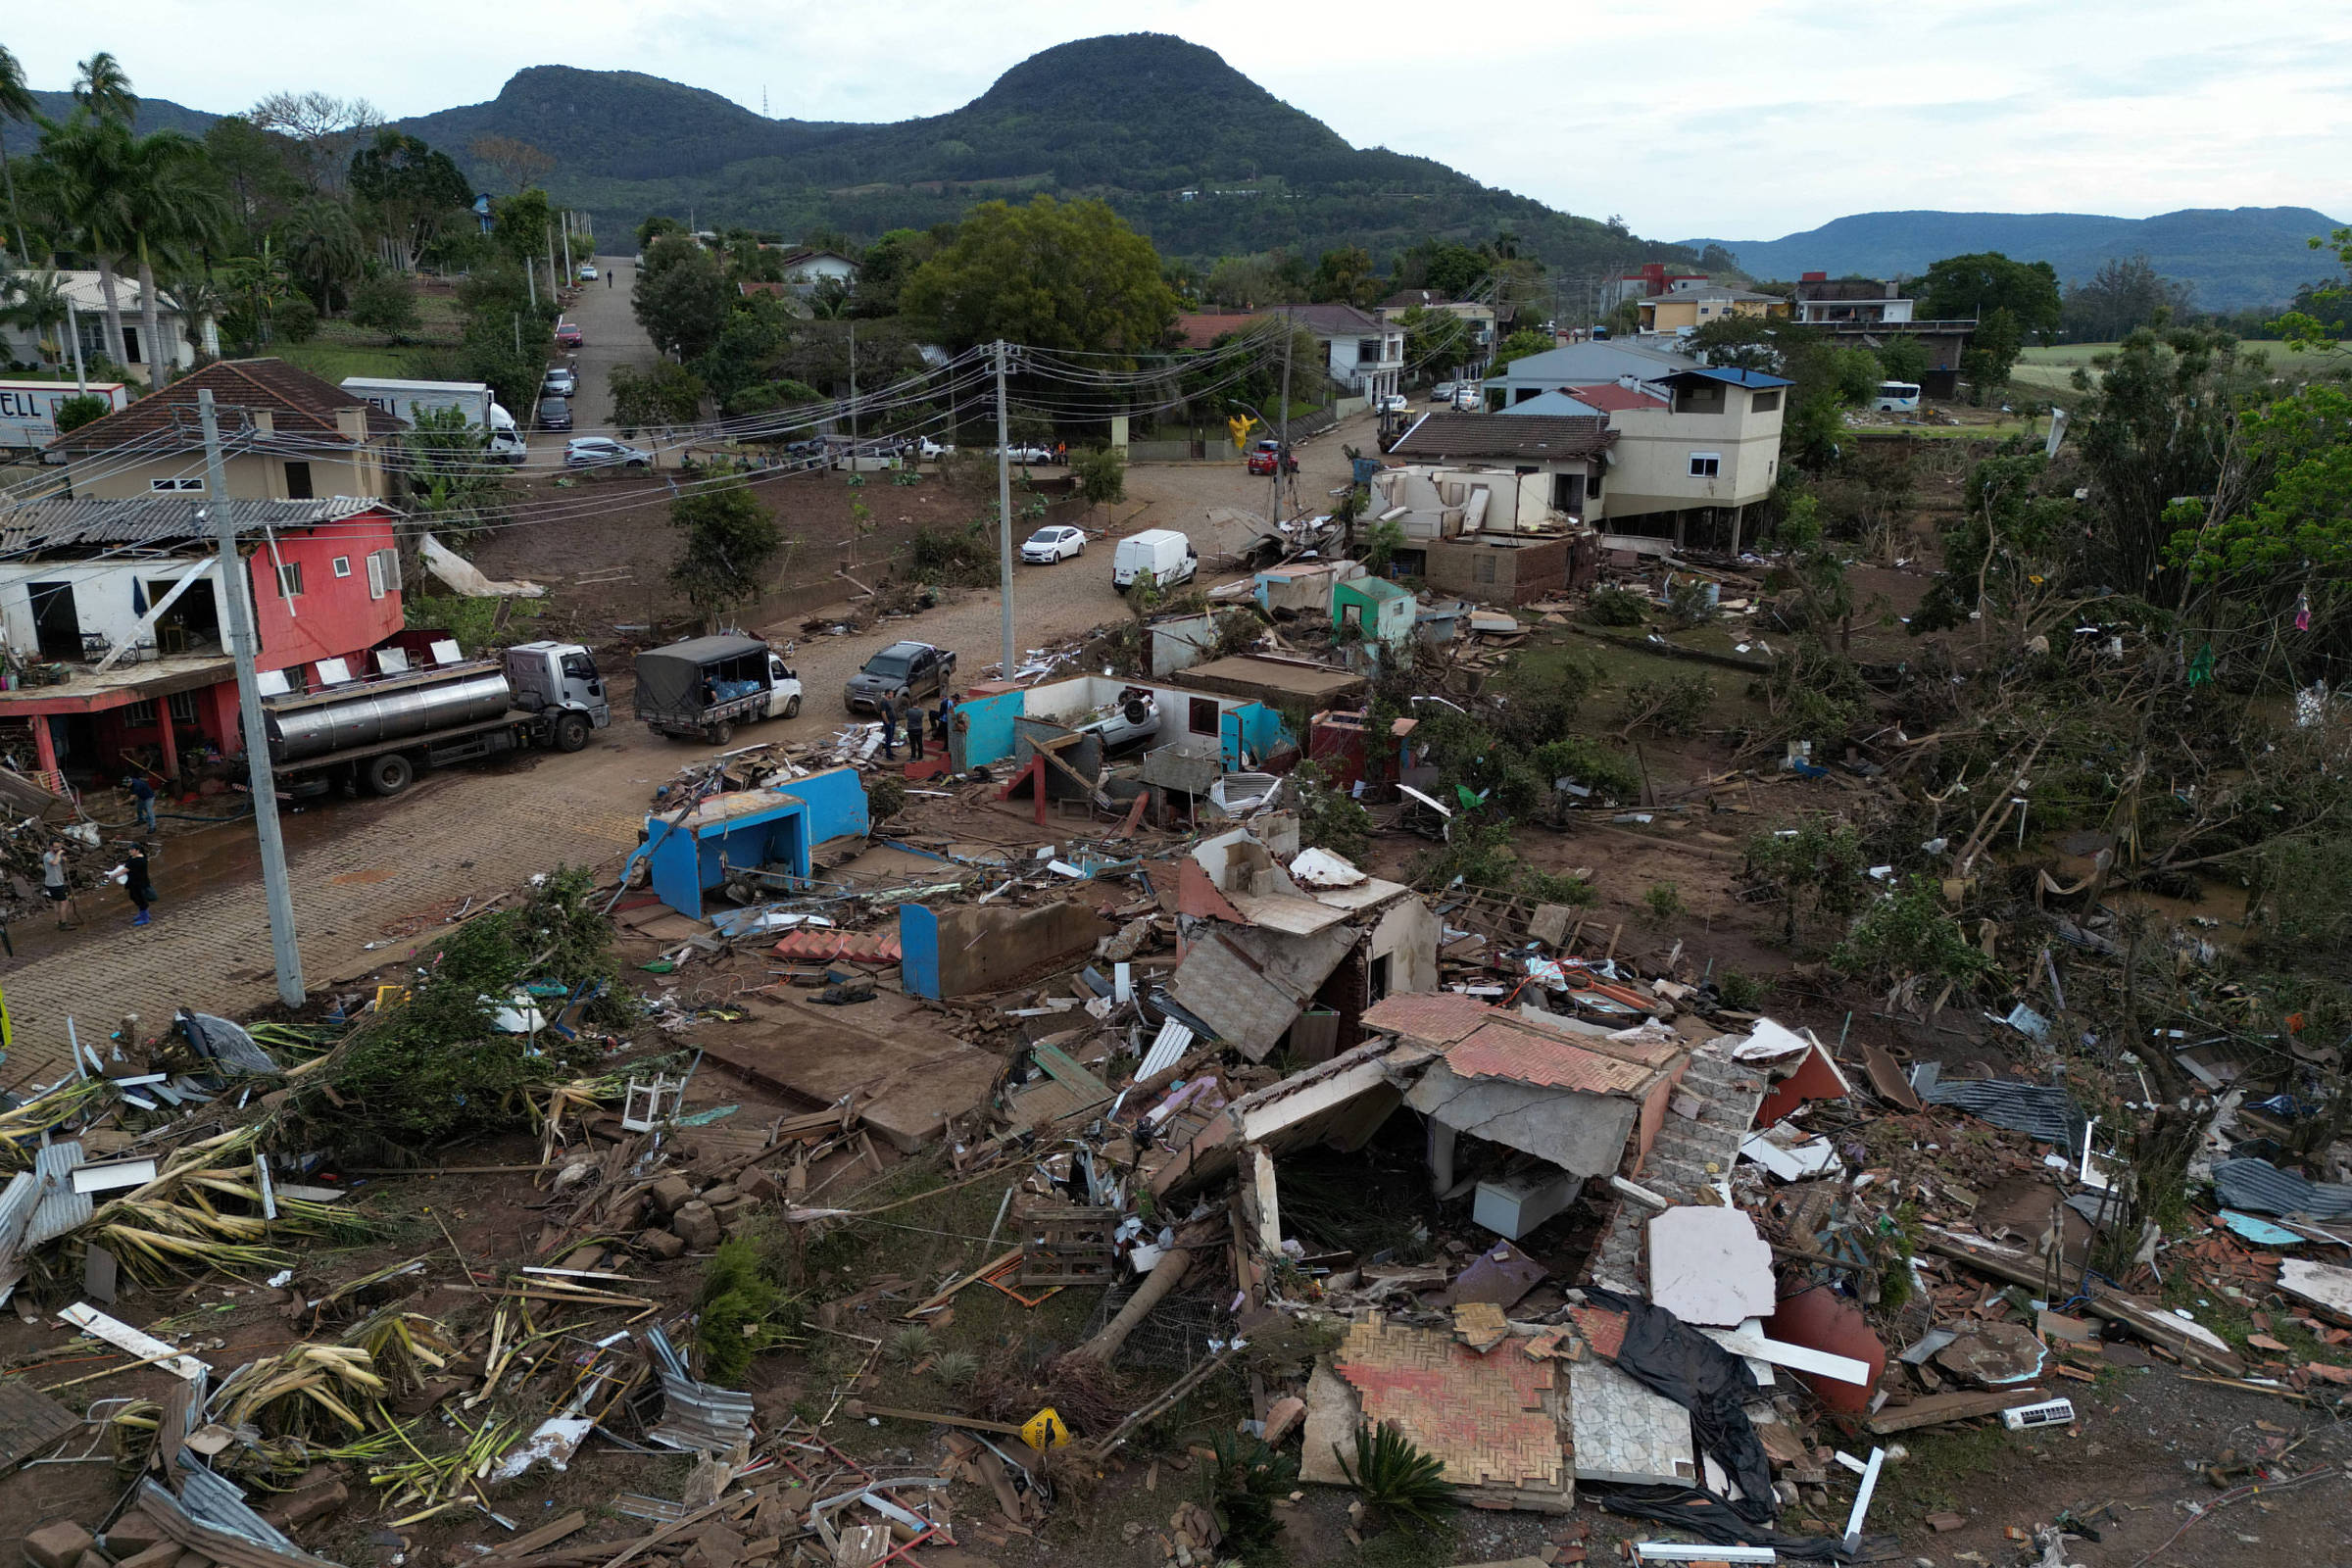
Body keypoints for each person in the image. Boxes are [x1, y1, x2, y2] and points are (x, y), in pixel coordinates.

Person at [41, 842, 78, 929]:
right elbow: (54, 863)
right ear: (50, 847)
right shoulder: (47, 856)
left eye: (59, 847)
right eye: (56, 847)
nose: (58, 848)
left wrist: (64, 859)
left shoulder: (56, 855)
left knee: (57, 902)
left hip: (57, 881)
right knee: (64, 902)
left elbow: (61, 861)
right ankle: (64, 923)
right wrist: (59, 854)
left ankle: (58, 921)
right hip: (54, 883)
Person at [121, 841, 156, 927]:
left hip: (138, 883)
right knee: (134, 897)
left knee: (140, 899)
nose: (130, 851)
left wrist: (113, 875)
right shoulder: (134, 858)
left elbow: (126, 869)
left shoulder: (138, 860)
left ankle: (145, 918)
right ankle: (143, 914)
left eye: (132, 850)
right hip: (135, 882)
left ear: (137, 850)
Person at [875, 695, 899, 760]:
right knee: (888, 738)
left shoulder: (889, 701)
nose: (893, 695)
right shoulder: (884, 702)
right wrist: (887, 722)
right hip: (889, 722)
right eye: (891, 693)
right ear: (888, 694)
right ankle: (888, 754)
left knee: (891, 738)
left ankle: (890, 752)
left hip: (892, 721)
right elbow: (883, 713)